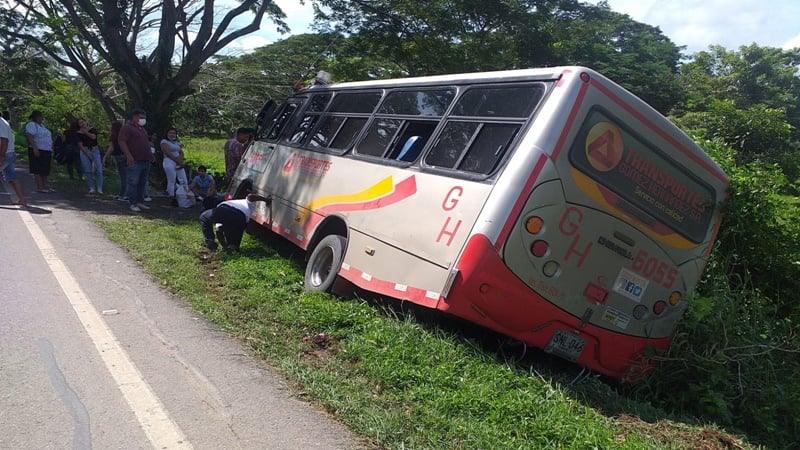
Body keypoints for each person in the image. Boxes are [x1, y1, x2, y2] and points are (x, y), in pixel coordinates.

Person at [199, 193, 271, 251]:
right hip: (240, 219)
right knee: (234, 246)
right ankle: (232, 247)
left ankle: (210, 243)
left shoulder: (222, 205)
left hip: (227, 211)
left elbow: (219, 231)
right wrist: (266, 200)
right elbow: (251, 196)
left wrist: (224, 246)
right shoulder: (244, 204)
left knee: (204, 217)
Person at [118, 108, 154, 212]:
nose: (143, 120)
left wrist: (151, 155)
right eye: (141, 118)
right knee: (133, 182)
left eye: (144, 118)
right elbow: (122, 141)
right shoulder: (127, 128)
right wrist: (129, 156)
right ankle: (132, 203)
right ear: (134, 117)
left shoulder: (142, 129)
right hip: (135, 160)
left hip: (145, 159)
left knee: (142, 183)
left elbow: (146, 143)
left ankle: (139, 201)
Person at [25, 110, 55, 193]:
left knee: (45, 168)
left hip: (46, 150)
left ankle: (46, 185)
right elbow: (30, 136)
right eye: (41, 116)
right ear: (36, 117)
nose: (42, 118)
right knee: (37, 168)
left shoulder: (42, 126)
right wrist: (35, 148)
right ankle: (40, 186)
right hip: (38, 149)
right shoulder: (31, 125)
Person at [0, 111, 27, 206]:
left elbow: (4, 141)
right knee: (12, 177)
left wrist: (2, 156)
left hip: (6, 154)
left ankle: (22, 199)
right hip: (9, 153)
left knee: (12, 177)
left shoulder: (0, 123)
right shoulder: (3, 122)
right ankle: (22, 199)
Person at [76, 118, 103, 194]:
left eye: (83, 121)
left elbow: (94, 137)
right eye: (80, 123)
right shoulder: (78, 133)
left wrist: (86, 132)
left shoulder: (93, 129)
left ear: (86, 121)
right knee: (88, 170)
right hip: (85, 152)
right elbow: (80, 145)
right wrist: (88, 155)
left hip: (95, 150)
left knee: (99, 170)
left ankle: (99, 188)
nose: (82, 123)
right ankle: (91, 187)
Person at [102, 120, 127, 201]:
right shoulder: (124, 135)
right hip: (126, 156)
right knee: (126, 175)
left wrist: (105, 156)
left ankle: (123, 194)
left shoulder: (113, 136)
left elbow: (111, 148)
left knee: (123, 176)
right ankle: (122, 193)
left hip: (118, 156)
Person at [160, 127, 188, 198]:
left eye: (174, 133)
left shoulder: (176, 142)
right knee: (171, 179)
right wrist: (176, 160)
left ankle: (186, 195)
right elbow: (167, 152)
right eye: (170, 133)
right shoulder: (164, 141)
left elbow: (181, 152)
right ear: (167, 134)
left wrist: (180, 161)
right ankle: (171, 196)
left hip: (178, 162)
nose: (172, 135)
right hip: (169, 161)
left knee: (184, 179)